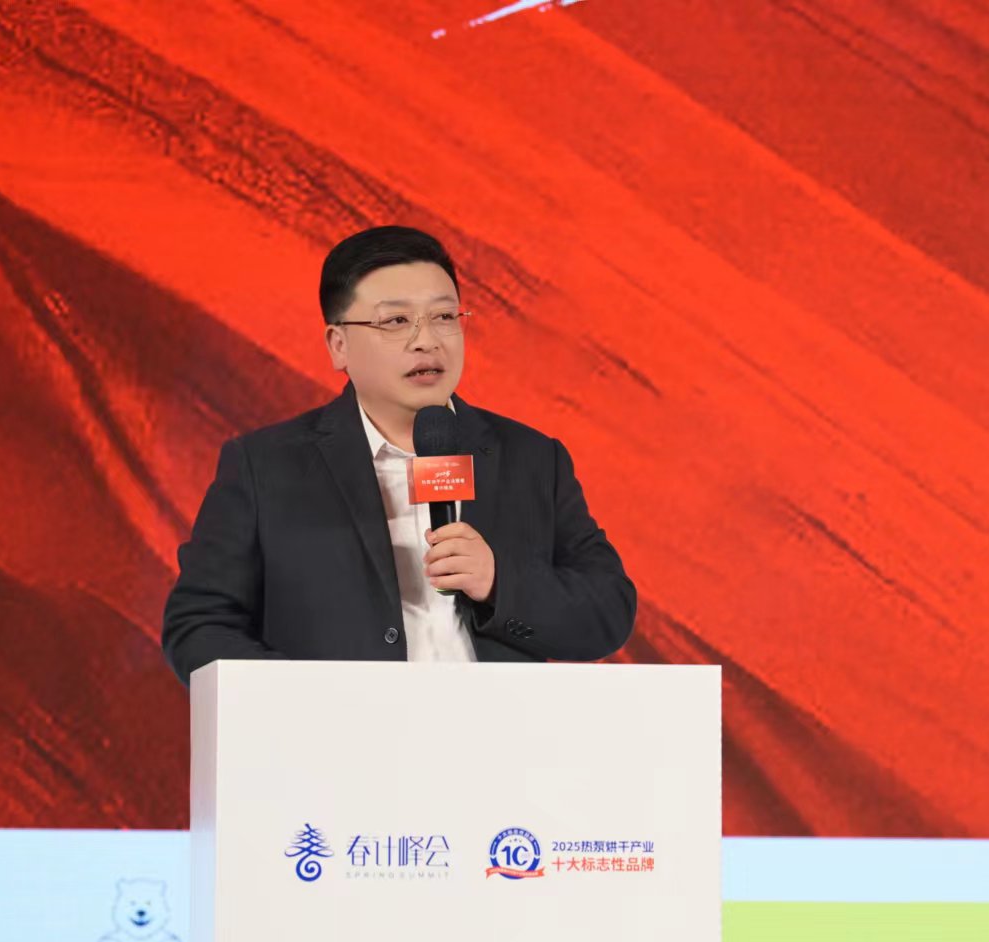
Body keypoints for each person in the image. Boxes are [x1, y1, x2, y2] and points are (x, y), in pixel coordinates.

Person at [162, 226, 636, 683]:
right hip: (341, 733)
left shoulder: (531, 458)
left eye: (444, 317)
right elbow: (199, 625)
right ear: (339, 346)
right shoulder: (265, 467)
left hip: (499, 733)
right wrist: (305, 703)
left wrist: (499, 583)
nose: (427, 340)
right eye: (396, 321)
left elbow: (608, 610)